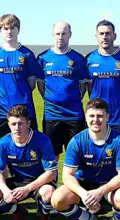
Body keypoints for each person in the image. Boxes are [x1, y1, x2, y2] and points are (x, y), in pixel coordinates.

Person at [51, 98, 120, 220]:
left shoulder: (118, 140)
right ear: (86, 117)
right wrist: (84, 194)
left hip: (109, 186)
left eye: (100, 116)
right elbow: (67, 175)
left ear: (108, 117)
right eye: (92, 116)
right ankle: (86, 218)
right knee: (58, 200)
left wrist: (100, 192)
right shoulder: (77, 140)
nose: (96, 120)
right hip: (85, 185)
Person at [0, 105, 58, 220]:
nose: (17, 128)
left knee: (48, 192)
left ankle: (44, 217)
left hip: (39, 182)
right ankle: (18, 212)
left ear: (28, 123)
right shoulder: (3, 143)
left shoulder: (42, 140)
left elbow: (51, 173)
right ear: (8, 124)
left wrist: (27, 189)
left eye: (20, 123)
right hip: (18, 181)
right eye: (13, 124)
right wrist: (6, 191)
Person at [37, 21, 89, 161]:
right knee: (52, 156)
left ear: (70, 35)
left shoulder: (78, 59)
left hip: (74, 115)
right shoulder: (43, 58)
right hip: (52, 115)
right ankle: (51, 183)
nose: (60, 37)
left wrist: (70, 99)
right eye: (58, 34)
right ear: (53, 35)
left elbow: (82, 87)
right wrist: (51, 99)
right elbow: (40, 86)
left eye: (64, 33)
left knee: (77, 155)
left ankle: (76, 183)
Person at [0, 14, 40, 146]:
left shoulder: (27, 54)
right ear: (0, 31)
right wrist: (1, 96)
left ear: (18, 30)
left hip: (24, 108)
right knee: (1, 147)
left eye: (12, 28)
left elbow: (31, 83)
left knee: (29, 145)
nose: (9, 32)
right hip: (1, 109)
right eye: (5, 29)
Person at [86, 20, 120, 135]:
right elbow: (88, 87)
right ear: (96, 37)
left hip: (118, 117)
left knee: (118, 151)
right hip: (96, 117)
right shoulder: (90, 59)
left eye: (108, 33)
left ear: (114, 36)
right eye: (101, 34)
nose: (105, 37)